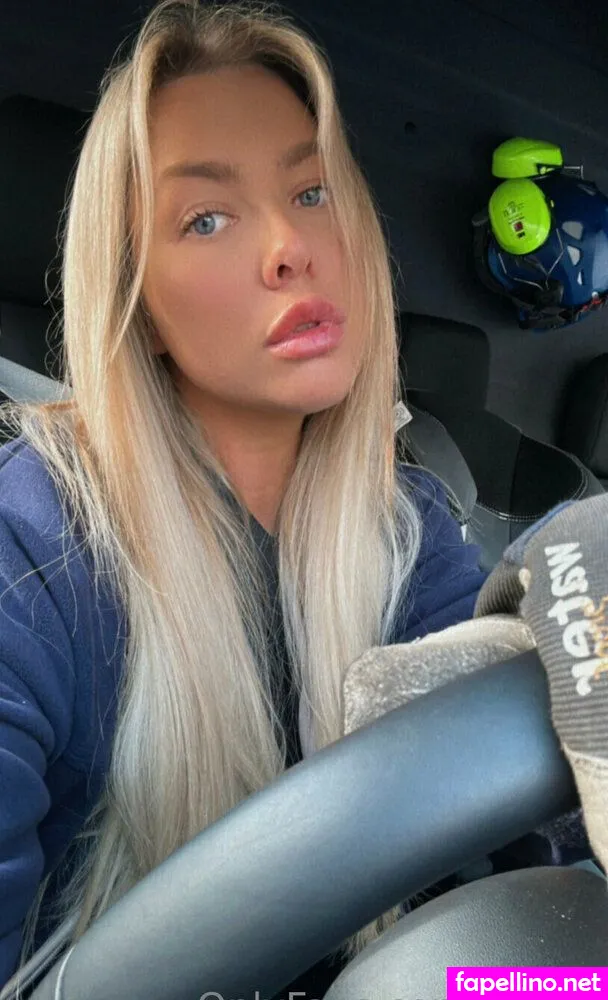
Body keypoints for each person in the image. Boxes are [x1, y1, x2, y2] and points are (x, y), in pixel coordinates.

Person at [0, 0, 489, 994]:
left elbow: (524, 922)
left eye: (311, 192)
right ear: (139, 308)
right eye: (207, 218)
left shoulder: (410, 528)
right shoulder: (36, 544)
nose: (287, 245)